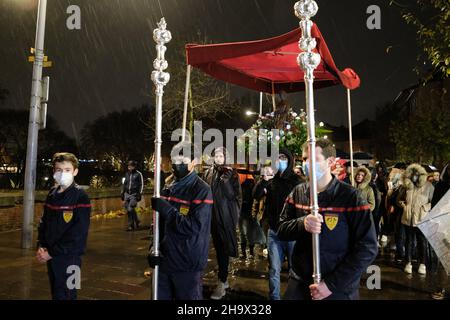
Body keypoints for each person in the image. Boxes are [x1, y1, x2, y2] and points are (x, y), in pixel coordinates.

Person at [278, 139, 378, 300]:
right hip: (300, 282)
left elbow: (368, 247)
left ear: (330, 161)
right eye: (304, 159)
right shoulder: (298, 192)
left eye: (312, 159)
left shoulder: (351, 197)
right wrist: (302, 223)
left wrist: (331, 284)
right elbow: (281, 230)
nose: (306, 164)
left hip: (338, 288)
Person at [149, 141, 213, 300]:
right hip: (165, 260)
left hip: (187, 263)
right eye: (175, 161)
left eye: (183, 162)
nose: (177, 166)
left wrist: (167, 209)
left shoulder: (201, 190)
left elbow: (193, 227)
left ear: (193, 162)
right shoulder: (167, 187)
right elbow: (159, 225)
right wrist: (153, 247)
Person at [36, 152, 91, 300]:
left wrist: (51, 252)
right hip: (52, 254)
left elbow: (79, 232)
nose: (62, 173)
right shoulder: (52, 194)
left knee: (69, 294)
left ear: (75, 171)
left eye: (67, 170)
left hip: (71, 257)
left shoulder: (81, 196)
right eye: (59, 170)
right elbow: (44, 222)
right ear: (54, 171)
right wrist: (41, 245)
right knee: (57, 293)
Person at [253, 149, 303, 300]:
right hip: (274, 232)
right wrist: (263, 180)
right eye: (277, 158)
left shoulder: (297, 181)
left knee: (294, 271)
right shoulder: (271, 180)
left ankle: (293, 296)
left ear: (289, 161)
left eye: (283, 158)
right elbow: (256, 195)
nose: (280, 161)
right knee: (274, 269)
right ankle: (274, 297)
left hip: (292, 233)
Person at [203, 147, 242, 300]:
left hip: (224, 218)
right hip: (210, 217)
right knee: (218, 249)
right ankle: (222, 279)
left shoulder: (232, 174)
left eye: (221, 156)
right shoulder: (208, 172)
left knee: (224, 249)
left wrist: (225, 180)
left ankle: (222, 281)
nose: (219, 159)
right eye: (216, 156)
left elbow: (234, 197)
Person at [397, 163, 434, 275]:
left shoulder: (429, 186)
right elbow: (399, 199)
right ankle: (408, 262)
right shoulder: (407, 186)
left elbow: (433, 202)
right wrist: (404, 206)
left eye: (416, 174)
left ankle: (422, 263)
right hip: (408, 218)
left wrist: (425, 208)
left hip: (422, 218)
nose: (414, 176)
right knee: (408, 241)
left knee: (422, 241)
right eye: (412, 173)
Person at [430, 162, 450, 299]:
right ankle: (441, 287)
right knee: (445, 258)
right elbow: (434, 206)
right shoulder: (441, 186)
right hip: (444, 224)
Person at [121, 160, 144, 231]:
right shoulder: (127, 174)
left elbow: (141, 184)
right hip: (127, 194)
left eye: (131, 166)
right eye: (128, 166)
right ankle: (137, 221)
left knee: (130, 209)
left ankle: (131, 225)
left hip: (134, 194)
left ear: (134, 166)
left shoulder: (138, 174)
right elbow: (124, 184)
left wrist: (139, 193)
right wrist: (122, 192)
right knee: (128, 210)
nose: (129, 167)